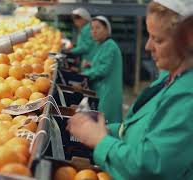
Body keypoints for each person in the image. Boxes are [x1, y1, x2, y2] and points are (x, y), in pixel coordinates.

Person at [66, 0, 193, 180]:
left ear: (189, 37)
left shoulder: (187, 96)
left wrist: (101, 141)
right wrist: (108, 130)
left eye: (158, 39)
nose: (148, 47)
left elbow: (149, 168)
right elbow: (145, 128)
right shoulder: (169, 77)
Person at [82, 16, 123, 124]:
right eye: (92, 28)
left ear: (107, 30)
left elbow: (102, 69)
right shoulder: (102, 45)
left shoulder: (110, 45)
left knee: (106, 125)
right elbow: (100, 63)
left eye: (98, 28)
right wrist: (90, 65)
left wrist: (83, 75)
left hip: (107, 93)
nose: (94, 31)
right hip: (102, 90)